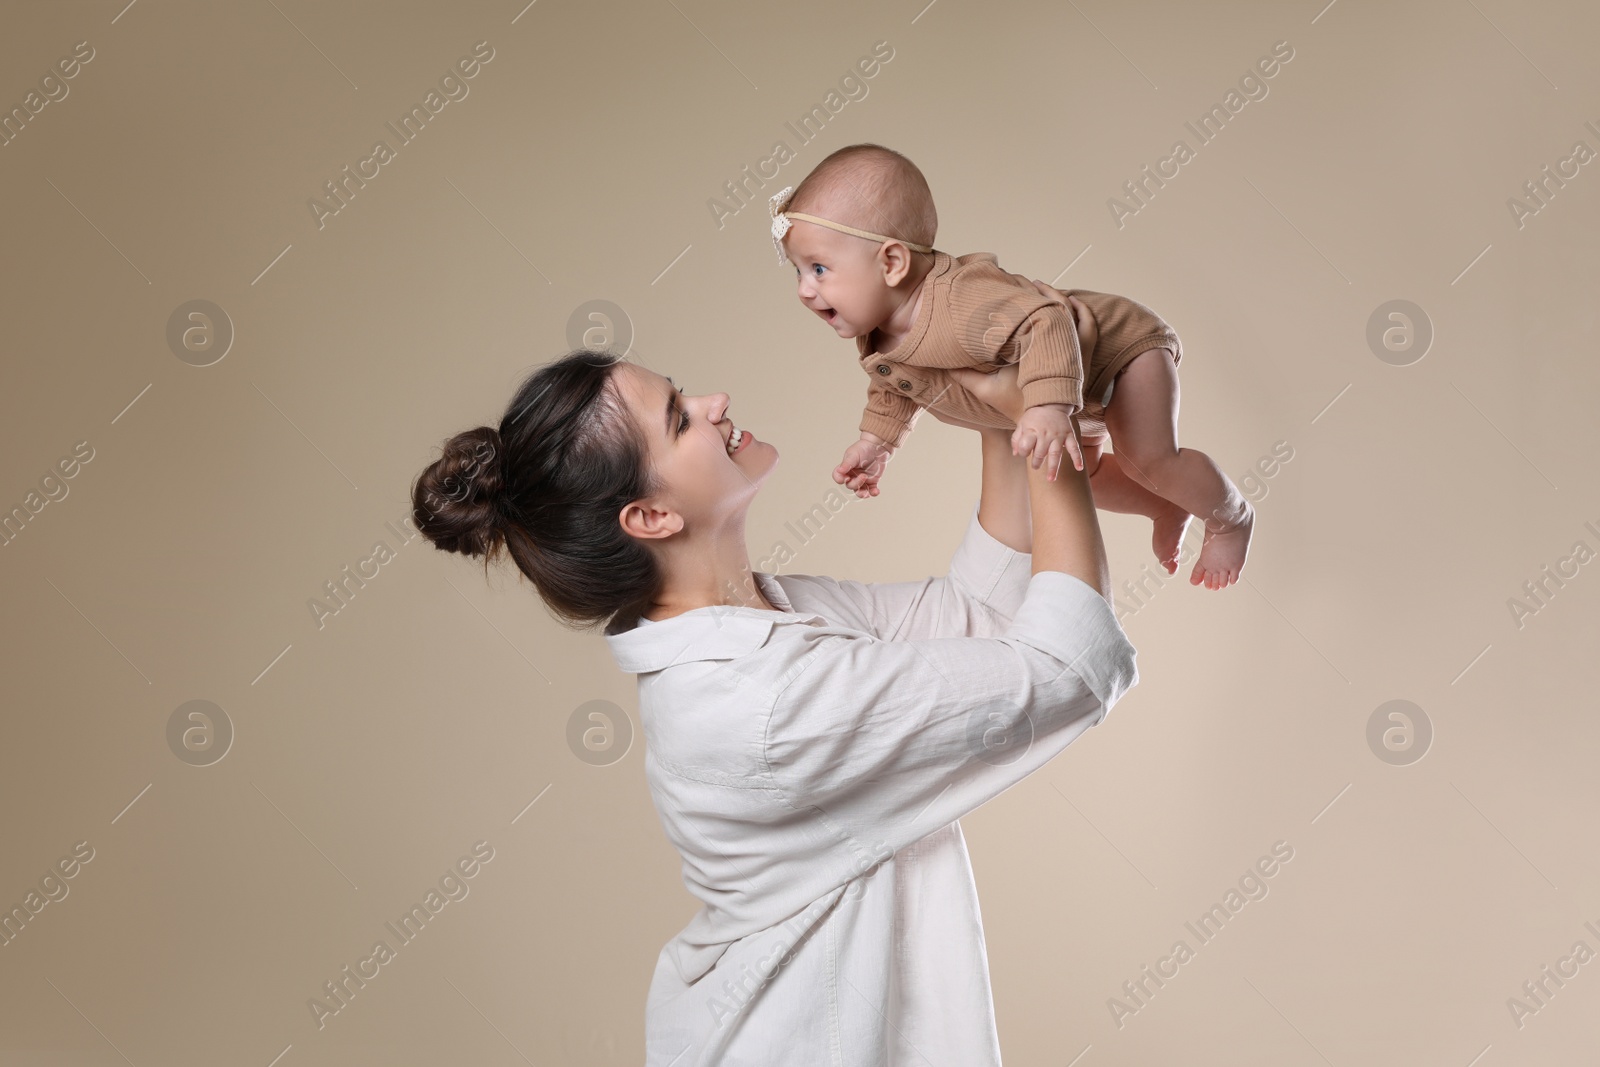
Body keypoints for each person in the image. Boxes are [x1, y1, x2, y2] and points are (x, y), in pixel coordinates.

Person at [411, 346, 1139, 1065]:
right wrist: (1051, 415)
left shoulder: (750, 620)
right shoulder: (762, 698)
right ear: (651, 516)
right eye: (678, 418)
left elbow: (975, 614)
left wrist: (999, 392)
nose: (714, 402)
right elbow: (1068, 664)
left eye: (684, 391)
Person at [772, 142, 1254, 590]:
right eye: (797, 271)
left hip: (1121, 353)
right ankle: (1164, 505)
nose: (804, 290)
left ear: (893, 262)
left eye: (818, 268)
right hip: (1069, 389)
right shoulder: (880, 333)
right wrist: (878, 442)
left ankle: (1230, 517)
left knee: (1147, 458)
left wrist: (1045, 407)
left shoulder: (961, 301)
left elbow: (1044, 319)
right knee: (1078, 475)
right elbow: (898, 385)